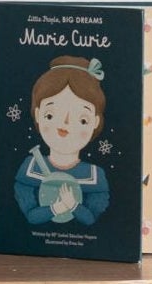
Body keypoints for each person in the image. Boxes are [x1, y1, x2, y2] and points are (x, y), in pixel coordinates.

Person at [14, 55, 110, 226]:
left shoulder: (95, 176)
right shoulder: (30, 167)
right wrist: (56, 208)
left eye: (82, 120)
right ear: (37, 114)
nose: (64, 125)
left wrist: (73, 205)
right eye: (50, 115)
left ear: (94, 122)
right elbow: (31, 216)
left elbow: (90, 219)